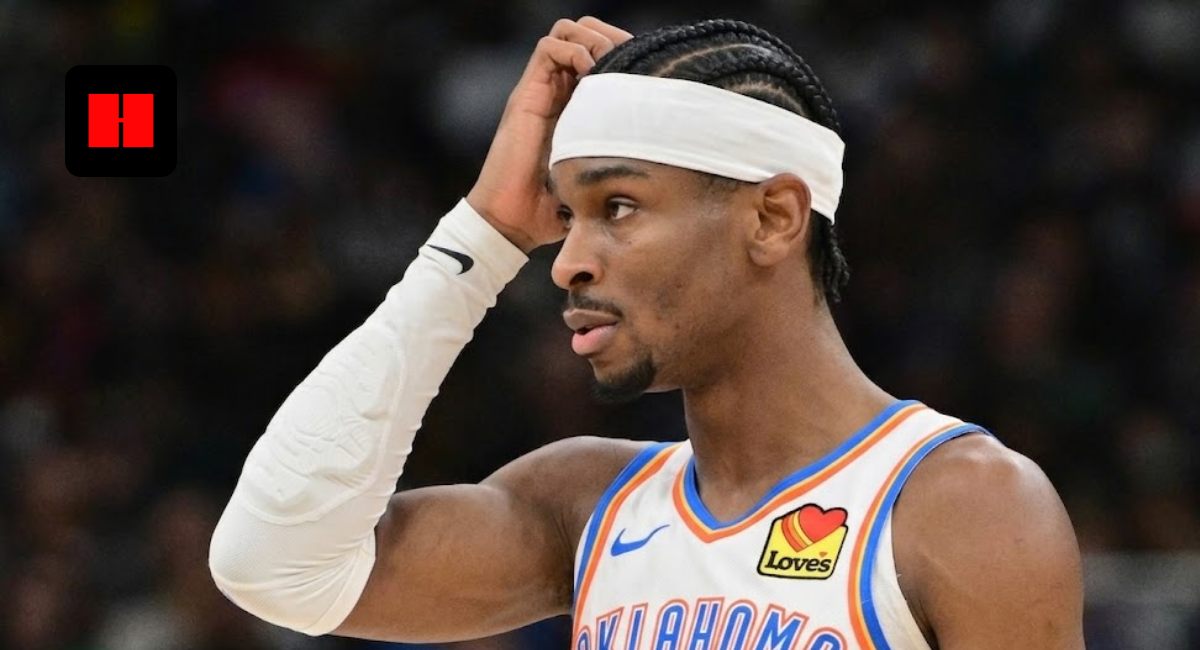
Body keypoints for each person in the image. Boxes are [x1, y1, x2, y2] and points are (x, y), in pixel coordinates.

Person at [209, 16, 1085, 650]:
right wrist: (484, 236)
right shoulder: (584, 503)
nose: (565, 262)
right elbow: (273, 565)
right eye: (565, 215)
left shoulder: (963, 505)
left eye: (618, 207)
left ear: (774, 217)